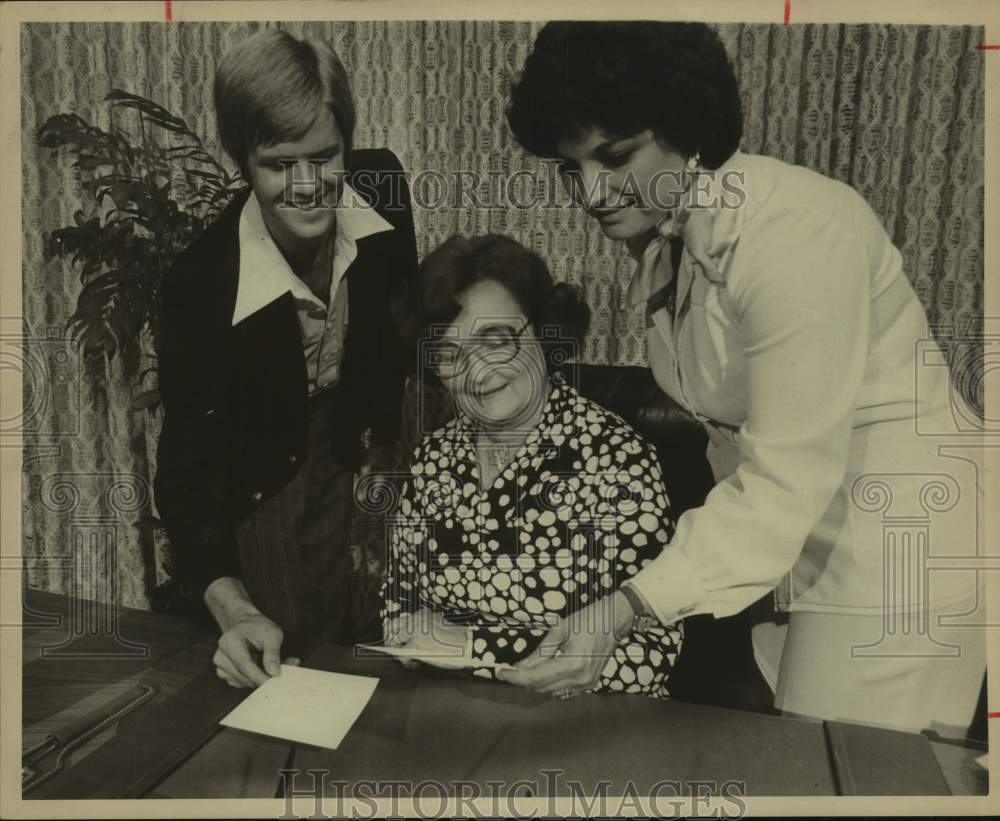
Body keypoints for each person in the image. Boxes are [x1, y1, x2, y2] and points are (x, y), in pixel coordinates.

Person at [500, 21, 985, 735]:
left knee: (849, 784)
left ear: (685, 127)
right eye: (572, 168)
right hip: (808, 557)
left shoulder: (796, 230)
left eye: (616, 155)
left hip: (902, 562)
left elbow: (785, 475)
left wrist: (624, 606)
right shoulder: (672, 240)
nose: (592, 191)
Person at [155, 29, 417, 688]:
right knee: (291, 685)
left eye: (324, 156)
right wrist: (235, 607)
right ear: (243, 159)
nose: (306, 186)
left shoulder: (382, 196)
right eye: (278, 163)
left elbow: (403, 350)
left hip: (365, 479)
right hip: (266, 497)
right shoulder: (197, 286)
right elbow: (188, 477)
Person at [379, 234, 683, 698]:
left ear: (543, 331)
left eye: (496, 341)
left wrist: (474, 646)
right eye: (448, 353)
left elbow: (649, 657)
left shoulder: (617, 460)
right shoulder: (432, 457)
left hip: (579, 733)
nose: (476, 371)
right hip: (446, 717)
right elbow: (399, 609)